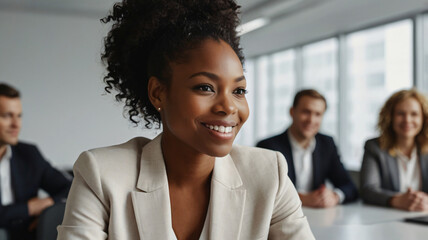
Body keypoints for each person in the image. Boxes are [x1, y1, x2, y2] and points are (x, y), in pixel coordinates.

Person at [57, 0, 314, 239]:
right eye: (205, 87)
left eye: (239, 91)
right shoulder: (102, 175)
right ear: (158, 93)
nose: (228, 106)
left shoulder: (269, 174)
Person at [257, 89, 358, 208]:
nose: (311, 120)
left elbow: (349, 186)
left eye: (318, 114)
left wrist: (334, 196)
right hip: (280, 218)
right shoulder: (268, 147)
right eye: (306, 112)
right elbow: (262, 192)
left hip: (318, 217)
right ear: (292, 112)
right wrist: (300, 198)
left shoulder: (327, 144)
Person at [0, 83, 72, 240]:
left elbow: (71, 186)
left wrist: (48, 205)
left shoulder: (28, 154)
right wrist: (30, 208)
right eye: (7, 115)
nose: (16, 125)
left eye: (19, 116)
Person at [360, 89, 428, 211]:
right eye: (400, 113)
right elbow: (368, 190)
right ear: (390, 117)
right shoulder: (374, 147)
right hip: (387, 219)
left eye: (414, 114)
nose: (407, 120)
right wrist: (397, 200)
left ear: (423, 118)